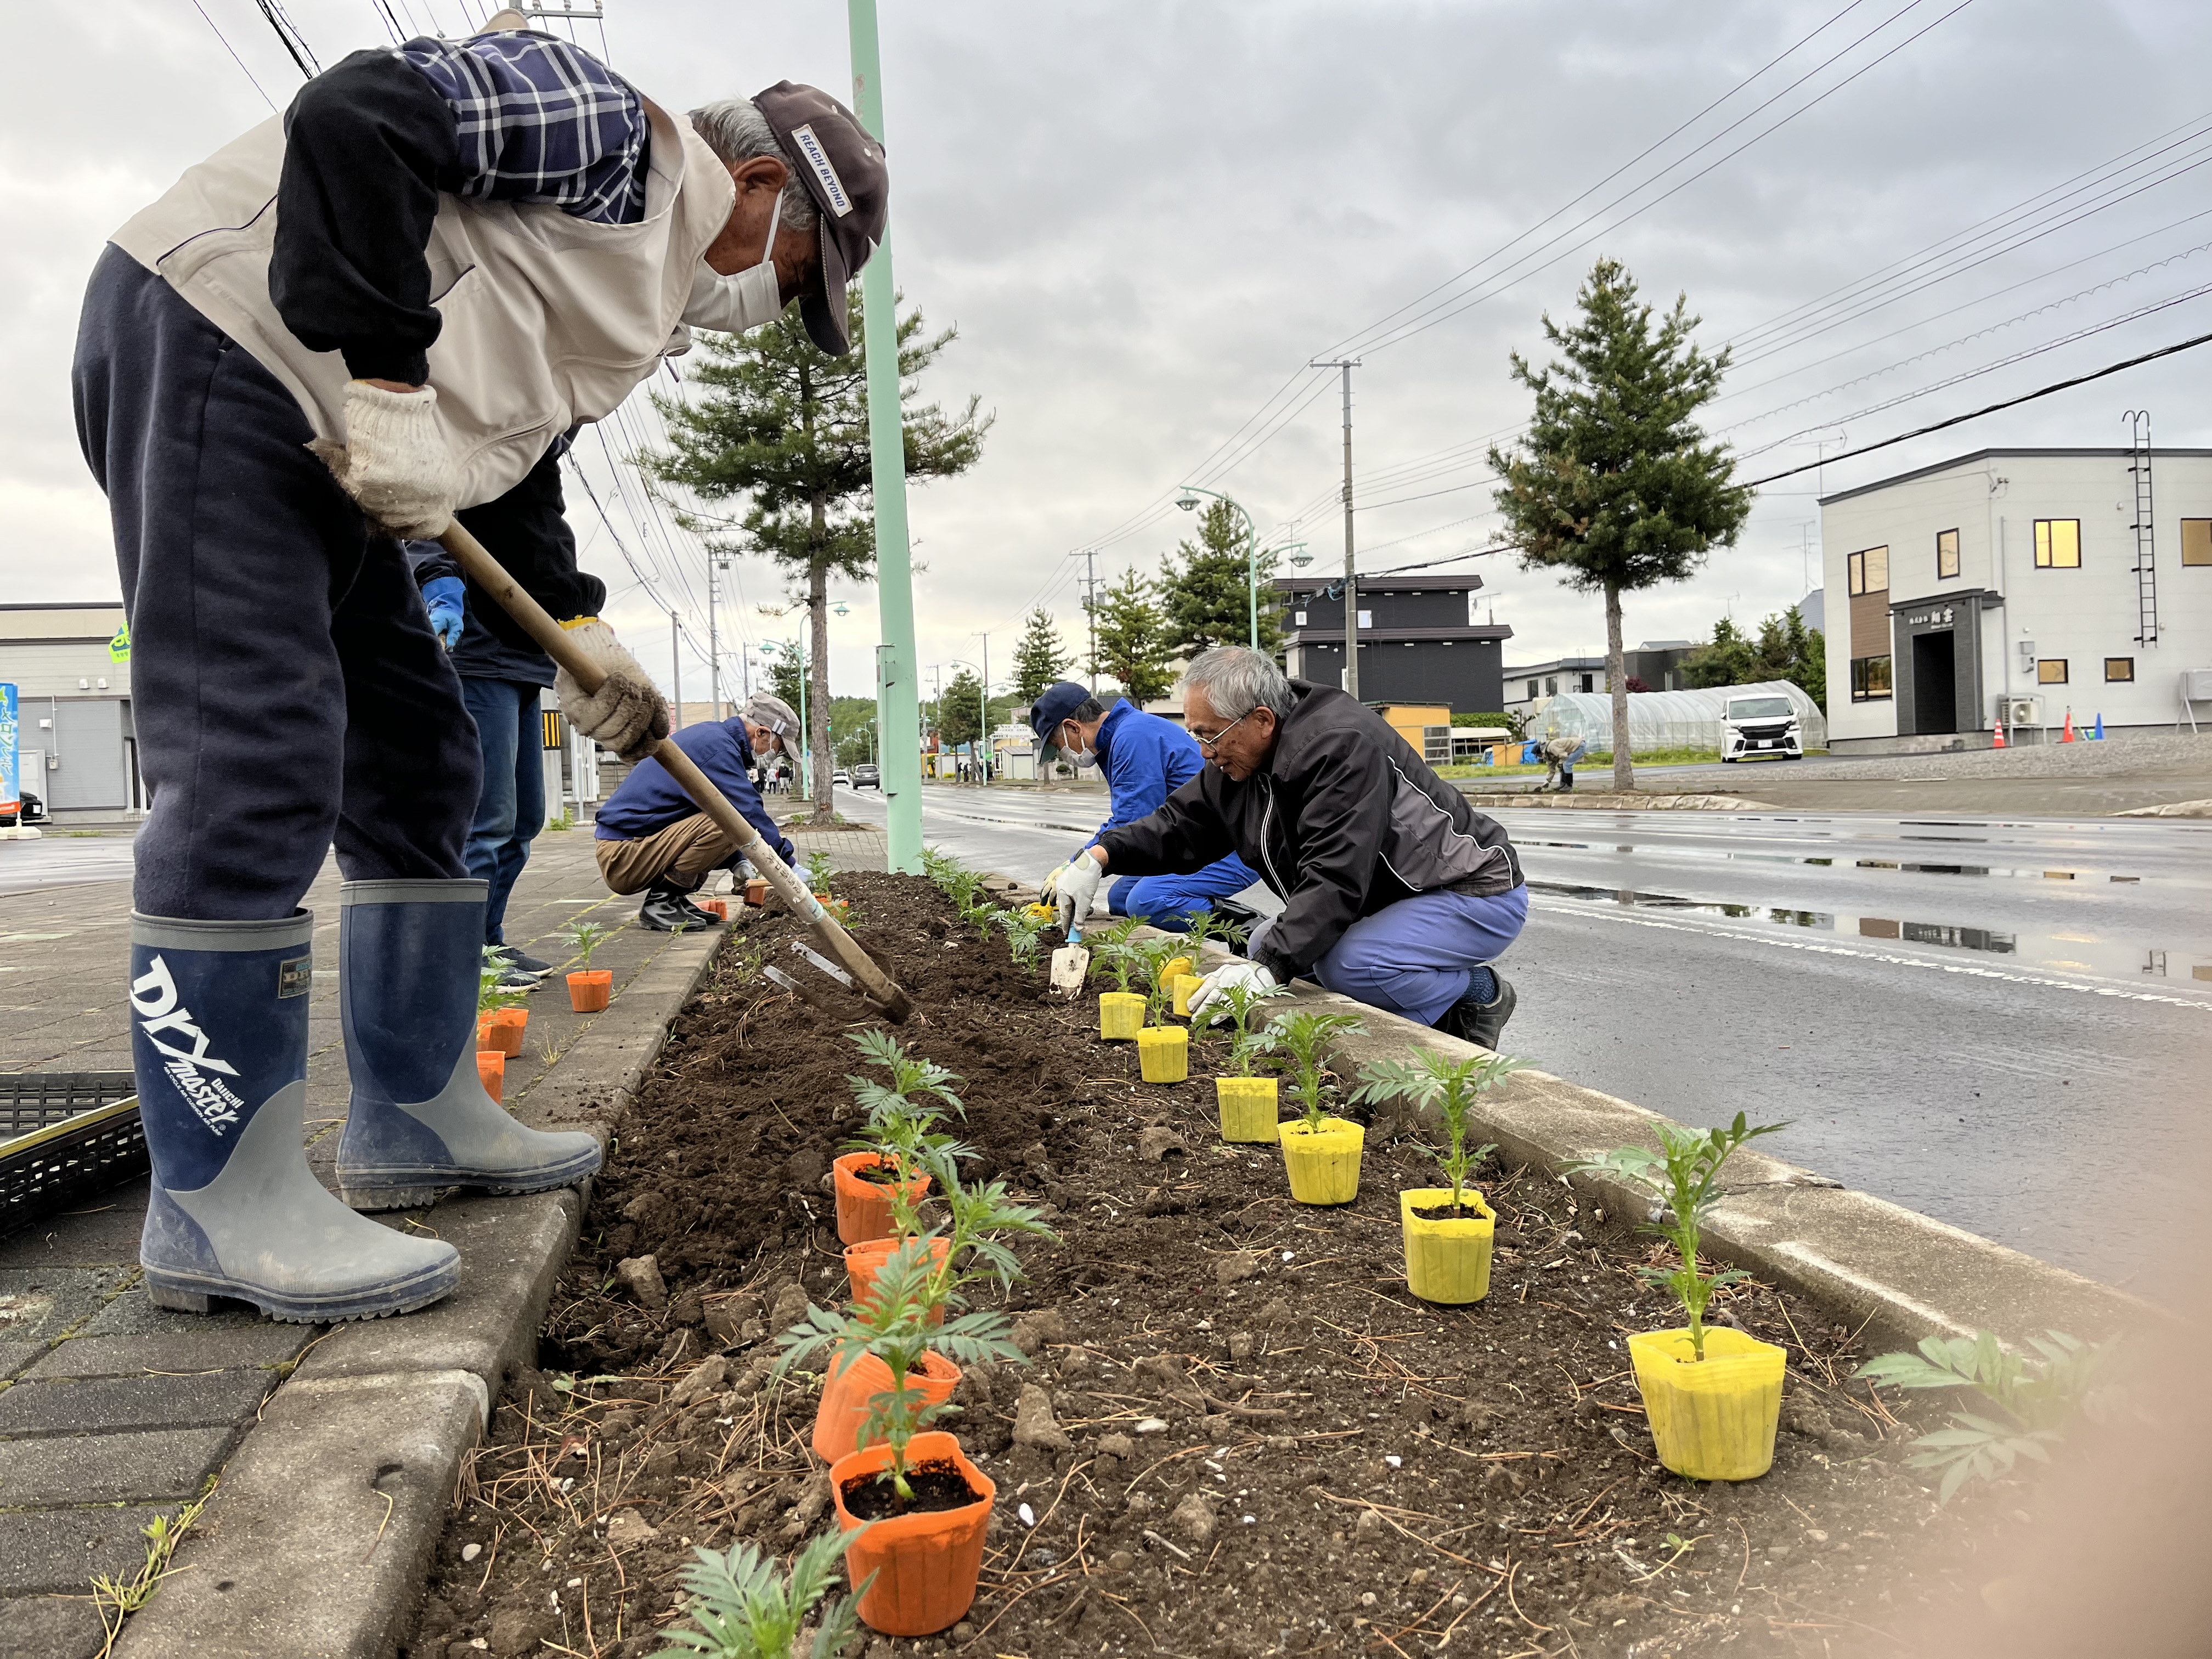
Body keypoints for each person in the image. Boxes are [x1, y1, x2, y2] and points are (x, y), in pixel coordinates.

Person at [73, 20, 888, 1324]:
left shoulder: (631, 295)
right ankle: (217, 1202)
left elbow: (514, 459)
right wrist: (392, 382)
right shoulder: (614, 134)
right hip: (221, 341)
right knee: (256, 758)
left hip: (330, 423)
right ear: (763, 185)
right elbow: (358, 118)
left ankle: (415, 1114)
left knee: (421, 758)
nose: (781, 299)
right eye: (801, 270)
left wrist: (579, 630)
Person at [1052, 647, 1527, 1049]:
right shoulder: (1242, 759)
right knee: (1263, 944)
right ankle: (1417, 1000)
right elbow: (1180, 824)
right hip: (1391, 898)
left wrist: (1272, 967)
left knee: (1348, 965)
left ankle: (1476, 996)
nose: (1203, 751)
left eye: (1208, 734)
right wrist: (1100, 857)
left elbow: (1336, 874)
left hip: (1469, 891)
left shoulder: (1340, 746)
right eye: (1195, 733)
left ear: (1261, 719)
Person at [405, 434, 600, 989]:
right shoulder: (477, 425)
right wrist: (434, 574)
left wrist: (581, 616)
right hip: (475, 646)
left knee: (523, 821)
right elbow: (420, 499)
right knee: (486, 820)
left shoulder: (539, 456)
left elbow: (545, 544)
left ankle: (488, 940)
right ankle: (462, 955)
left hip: (525, 657)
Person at [1029, 680, 1262, 934]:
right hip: (1195, 838)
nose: (1064, 753)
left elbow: (1131, 821)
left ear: (1072, 727)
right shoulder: (1125, 734)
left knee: (1147, 901)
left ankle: (1244, 928)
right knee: (1120, 899)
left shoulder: (1132, 738)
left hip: (1230, 845)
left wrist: (1077, 865)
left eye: (1059, 745)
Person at [595, 693, 803, 929]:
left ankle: (674, 899)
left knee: (728, 820)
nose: (773, 754)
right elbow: (748, 812)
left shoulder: (716, 739)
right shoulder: (717, 749)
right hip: (623, 855)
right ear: (762, 733)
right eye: (778, 748)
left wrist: (737, 862)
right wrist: (789, 867)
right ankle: (661, 902)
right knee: (729, 820)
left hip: (634, 845)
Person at [1538, 726, 1586, 793]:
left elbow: (1564, 756)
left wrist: (1560, 764)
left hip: (1579, 746)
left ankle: (1569, 786)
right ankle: (1563, 785)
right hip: (1573, 748)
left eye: (1539, 755)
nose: (1539, 757)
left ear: (1541, 752)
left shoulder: (1552, 747)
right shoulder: (1548, 755)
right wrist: (1547, 782)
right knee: (1562, 765)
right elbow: (1551, 770)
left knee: (1566, 764)